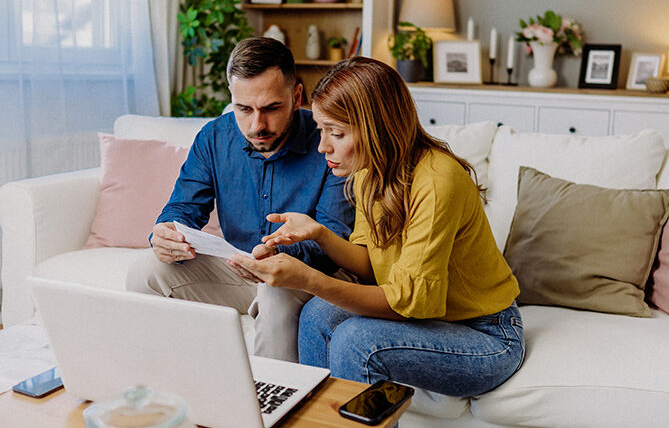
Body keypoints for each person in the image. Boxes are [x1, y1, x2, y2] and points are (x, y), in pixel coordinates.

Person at [228, 57, 524, 397]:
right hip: (432, 322)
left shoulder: (438, 181)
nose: (323, 146)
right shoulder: (368, 174)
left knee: (356, 342)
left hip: (488, 336)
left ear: (377, 128)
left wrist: (310, 279)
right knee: (316, 315)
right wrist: (319, 234)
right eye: (322, 131)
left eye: (336, 133)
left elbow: (409, 302)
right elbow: (372, 265)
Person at [125, 37, 354, 363]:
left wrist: (275, 255)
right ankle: (179, 387)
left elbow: (333, 239)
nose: (257, 125)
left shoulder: (328, 141)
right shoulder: (214, 137)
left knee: (276, 292)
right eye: (243, 109)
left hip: (311, 273)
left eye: (271, 108)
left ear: (296, 96)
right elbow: (183, 209)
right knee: (146, 271)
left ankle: (274, 405)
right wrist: (166, 235)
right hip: (242, 267)